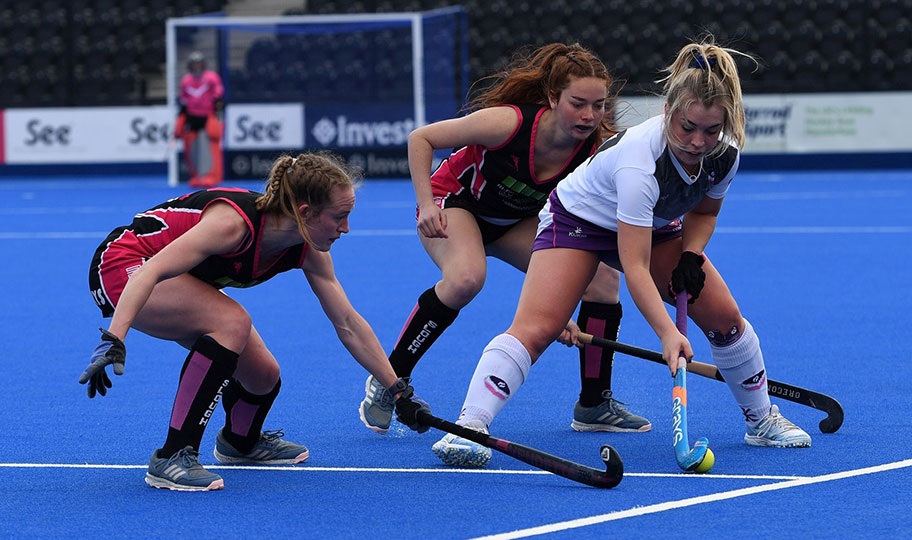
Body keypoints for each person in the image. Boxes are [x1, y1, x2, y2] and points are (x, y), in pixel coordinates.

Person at [432, 37, 812, 468]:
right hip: (579, 220)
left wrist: (691, 253)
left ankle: (761, 420)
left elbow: (704, 211)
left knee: (725, 319)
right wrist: (668, 334)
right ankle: (471, 426)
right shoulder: (640, 164)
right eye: (687, 128)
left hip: (652, 226)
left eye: (710, 131)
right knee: (539, 327)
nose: (697, 141)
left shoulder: (724, 155)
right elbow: (635, 266)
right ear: (668, 112)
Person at [81, 151, 432, 491]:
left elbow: (348, 323)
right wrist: (115, 338)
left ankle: (239, 442)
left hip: (165, 277)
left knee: (263, 375)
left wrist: (396, 390)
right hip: (125, 266)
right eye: (339, 216)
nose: (346, 228)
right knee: (232, 321)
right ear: (306, 212)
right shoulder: (232, 225)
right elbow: (152, 271)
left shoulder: (308, 248)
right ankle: (172, 456)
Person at [358, 43, 649, 449]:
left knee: (601, 281)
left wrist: (558, 302)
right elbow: (420, 138)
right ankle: (390, 378)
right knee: (466, 278)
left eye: (598, 106)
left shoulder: (595, 149)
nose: (589, 116)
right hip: (456, 205)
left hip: (514, 223)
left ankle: (593, 404)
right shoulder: (508, 124)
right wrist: (425, 203)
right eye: (578, 103)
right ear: (552, 98)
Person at [174, 51, 224, 188]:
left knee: (210, 147)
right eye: (194, 64)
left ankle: (211, 175)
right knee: (192, 147)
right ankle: (197, 175)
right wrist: (181, 120)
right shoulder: (186, 81)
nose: (197, 67)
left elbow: (218, 98)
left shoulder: (212, 78)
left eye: (199, 64)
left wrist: (217, 115)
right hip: (192, 118)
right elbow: (183, 102)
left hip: (207, 117)